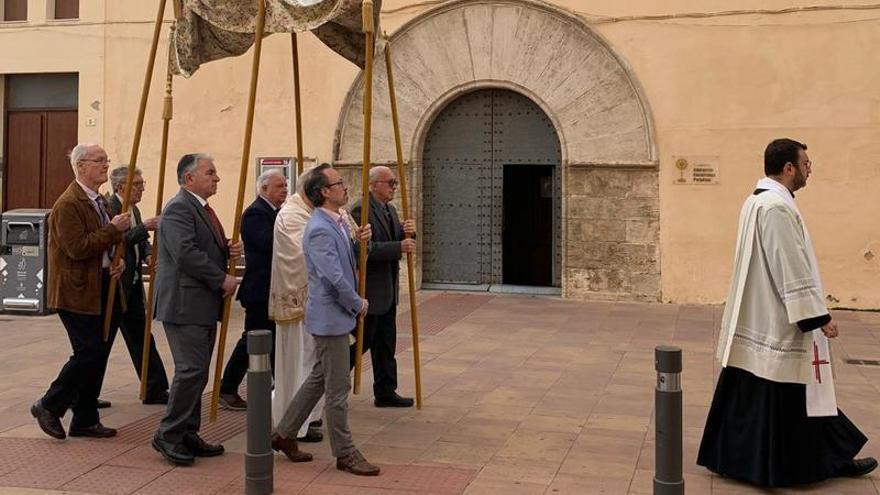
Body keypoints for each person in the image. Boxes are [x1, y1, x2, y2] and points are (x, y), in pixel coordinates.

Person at [697, 138, 877, 487]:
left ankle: (828, 456)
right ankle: (810, 463)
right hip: (775, 319)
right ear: (789, 167)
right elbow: (789, 264)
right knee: (792, 393)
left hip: (758, 316)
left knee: (765, 393)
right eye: (806, 163)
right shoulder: (777, 208)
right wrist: (816, 316)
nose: (810, 169)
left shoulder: (756, 200)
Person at [271, 164, 379, 476]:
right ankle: (345, 453)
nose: (345, 187)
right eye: (339, 183)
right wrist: (356, 302)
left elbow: (348, 259)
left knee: (319, 378)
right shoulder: (318, 227)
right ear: (324, 192)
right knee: (337, 388)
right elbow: (332, 276)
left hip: (335, 315)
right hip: (330, 316)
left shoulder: (337, 220)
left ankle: (284, 433)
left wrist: (361, 243)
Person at [30, 143, 130, 440]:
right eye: (98, 161)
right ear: (80, 166)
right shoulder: (68, 204)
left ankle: (85, 418)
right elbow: (76, 248)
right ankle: (49, 404)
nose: (104, 166)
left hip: (100, 284)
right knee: (88, 351)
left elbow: (103, 247)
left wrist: (117, 261)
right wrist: (113, 230)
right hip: (75, 291)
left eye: (105, 160)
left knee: (97, 353)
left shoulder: (101, 201)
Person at [152, 153, 243, 466]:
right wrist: (222, 279)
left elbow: (200, 245)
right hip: (184, 303)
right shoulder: (179, 207)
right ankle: (169, 434)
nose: (216, 178)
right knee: (190, 369)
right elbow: (185, 253)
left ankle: (188, 432)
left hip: (201, 303)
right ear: (189, 178)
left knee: (199, 371)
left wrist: (226, 247)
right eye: (210, 173)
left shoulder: (201, 207)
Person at [218, 169, 288, 411]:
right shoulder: (256, 213)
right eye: (279, 186)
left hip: (275, 289)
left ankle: (281, 389)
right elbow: (271, 244)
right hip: (260, 289)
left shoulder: (277, 213)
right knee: (253, 340)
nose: (285, 190)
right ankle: (227, 388)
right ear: (264, 189)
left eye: (285, 185)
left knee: (272, 339)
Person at [350, 166, 415, 408]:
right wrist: (399, 247)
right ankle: (328, 383)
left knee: (386, 343)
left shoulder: (390, 209)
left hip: (388, 289)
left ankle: (386, 390)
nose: (394, 187)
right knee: (360, 343)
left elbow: (400, 239)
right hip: (371, 289)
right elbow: (366, 249)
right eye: (390, 183)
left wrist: (409, 234)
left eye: (395, 183)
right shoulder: (361, 209)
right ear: (374, 184)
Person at [106, 166, 170, 405]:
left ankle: (154, 387)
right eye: (137, 184)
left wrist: (148, 255)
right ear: (121, 186)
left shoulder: (134, 209)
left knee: (142, 337)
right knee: (101, 342)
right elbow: (114, 239)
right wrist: (144, 228)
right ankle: (83, 393)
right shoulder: (110, 207)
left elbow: (140, 241)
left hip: (131, 285)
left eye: (143, 183)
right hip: (115, 284)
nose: (142, 188)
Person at [269, 169, 324, 442]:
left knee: (314, 361)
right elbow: (304, 254)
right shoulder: (291, 214)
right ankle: (293, 422)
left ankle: (311, 416)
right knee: (299, 362)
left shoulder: (316, 212)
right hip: (298, 302)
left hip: (318, 304)